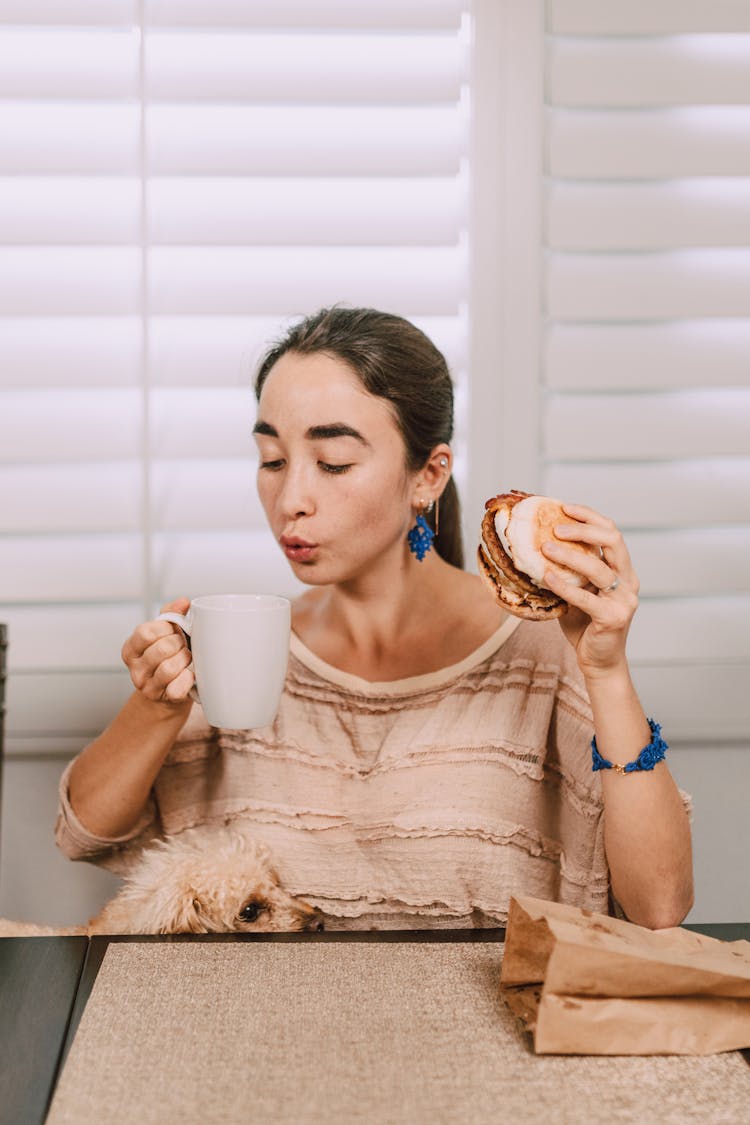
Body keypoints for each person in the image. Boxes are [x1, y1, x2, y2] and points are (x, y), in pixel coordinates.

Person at [56, 307, 693, 931]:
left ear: (428, 475)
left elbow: (659, 906)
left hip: (486, 1031)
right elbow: (82, 832)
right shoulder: (238, 649)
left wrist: (606, 672)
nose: (291, 501)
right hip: (261, 1026)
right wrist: (156, 707)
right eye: (272, 460)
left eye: (332, 462)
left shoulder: (545, 651)